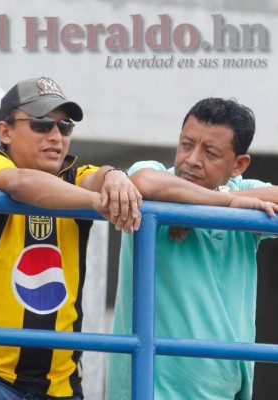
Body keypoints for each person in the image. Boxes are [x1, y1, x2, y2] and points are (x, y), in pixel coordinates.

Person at [0, 76, 142, 400]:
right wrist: (96, 201)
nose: (55, 137)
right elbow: (19, 183)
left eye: (65, 127)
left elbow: (100, 175)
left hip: (59, 389)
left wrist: (116, 176)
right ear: (4, 132)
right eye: (41, 124)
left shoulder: (74, 176)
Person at [106, 98, 278, 400]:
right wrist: (224, 205)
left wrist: (206, 200)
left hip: (227, 388)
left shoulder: (244, 192)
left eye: (210, 152)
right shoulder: (154, 176)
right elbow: (144, 182)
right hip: (148, 385)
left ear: (238, 165)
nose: (192, 160)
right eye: (186, 144)